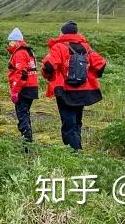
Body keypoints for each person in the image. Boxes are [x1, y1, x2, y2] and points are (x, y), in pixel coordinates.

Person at [41, 21, 107, 151]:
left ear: (63, 32)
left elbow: (48, 65)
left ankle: (75, 154)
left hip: (65, 91)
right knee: (77, 122)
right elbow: (101, 64)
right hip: (83, 91)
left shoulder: (59, 46)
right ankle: (77, 148)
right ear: (76, 32)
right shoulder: (86, 47)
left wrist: (49, 76)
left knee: (68, 125)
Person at [6, 28, 39, 145]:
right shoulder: (28, 51)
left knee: (22, 114)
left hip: (24, 88)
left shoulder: (19, 53)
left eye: (10, 42)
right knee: (25, 113)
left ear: (15, 41)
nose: (9, 44)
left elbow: (21, 73)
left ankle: (27, 142)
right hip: (32, 86)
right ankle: (28, 139)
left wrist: (15, 90)